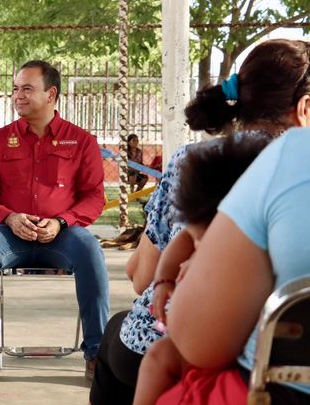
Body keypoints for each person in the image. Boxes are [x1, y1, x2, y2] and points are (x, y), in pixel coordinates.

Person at [89, 38, 310, 405]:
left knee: (129, 340)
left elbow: (146, 278)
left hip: (244, 371)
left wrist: (169, 280)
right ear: (303, 108)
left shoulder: (230, 161)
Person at [0, 60, 108, 386]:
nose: (18, 95)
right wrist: (9, 217)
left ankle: (97, 355)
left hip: (62, 235)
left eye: (27, 88)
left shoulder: (81, 141)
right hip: (8, 234)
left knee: (91, 248)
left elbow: (94, 197)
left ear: (51, 94)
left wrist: (62, 222)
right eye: (15, 88)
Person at [131, 132, 273, 405]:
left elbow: (201, 349)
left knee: (158, 357)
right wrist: (163, 280)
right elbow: (186, 238)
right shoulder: (267, 227)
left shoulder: (232, 270)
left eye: (200, 241)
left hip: (251, 382)